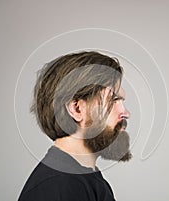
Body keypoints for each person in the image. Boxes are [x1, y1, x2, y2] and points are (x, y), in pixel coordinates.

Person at [18, 51, 132, 201]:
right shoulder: (59, 186)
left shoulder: (84, 181)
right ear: (77, 109)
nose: (126, 113)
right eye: (113, 100)